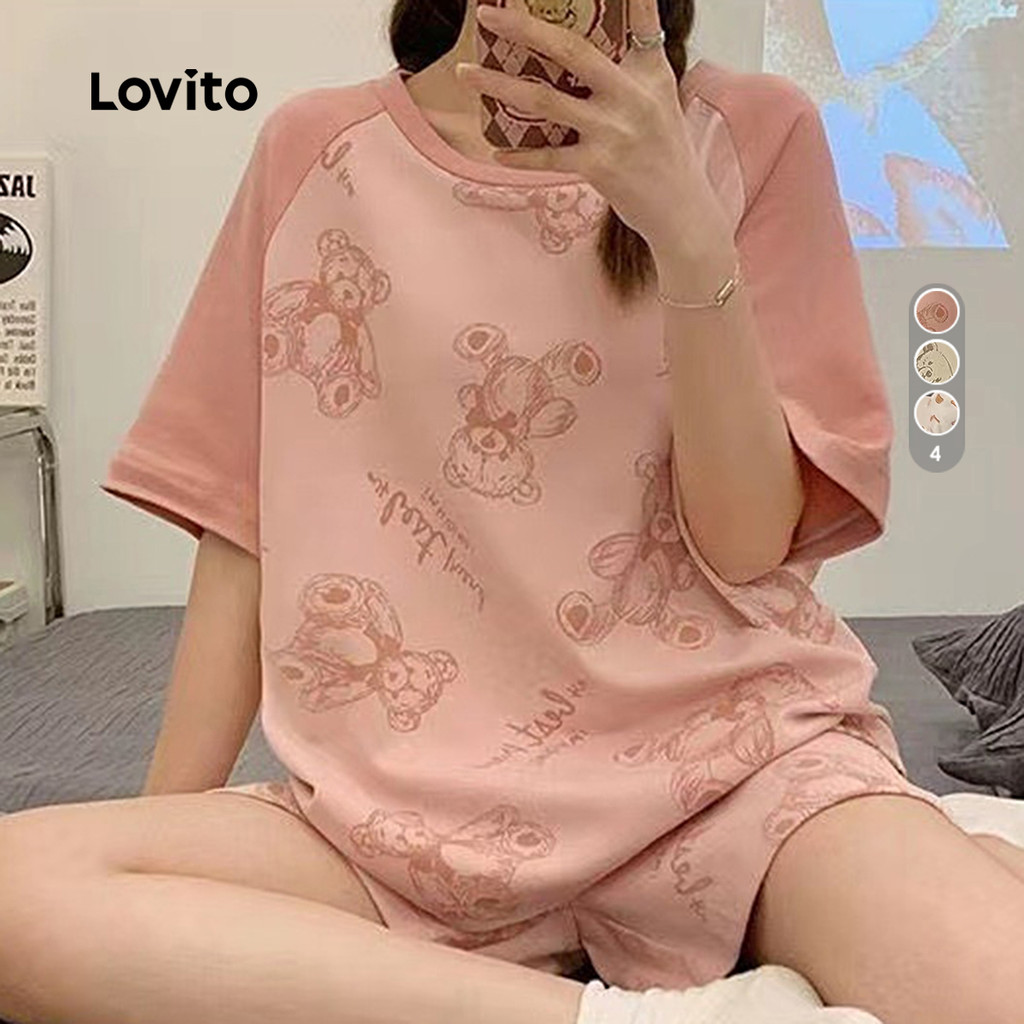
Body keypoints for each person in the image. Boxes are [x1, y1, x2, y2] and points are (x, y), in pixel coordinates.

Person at [2, 1, 1023, 1023]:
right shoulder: (315, 152)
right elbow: (241, 532)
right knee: (19, 897)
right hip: (392, 824)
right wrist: (161, 874)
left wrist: (685, 232)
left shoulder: (757, 132)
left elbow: (748, 544)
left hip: (736, 780)